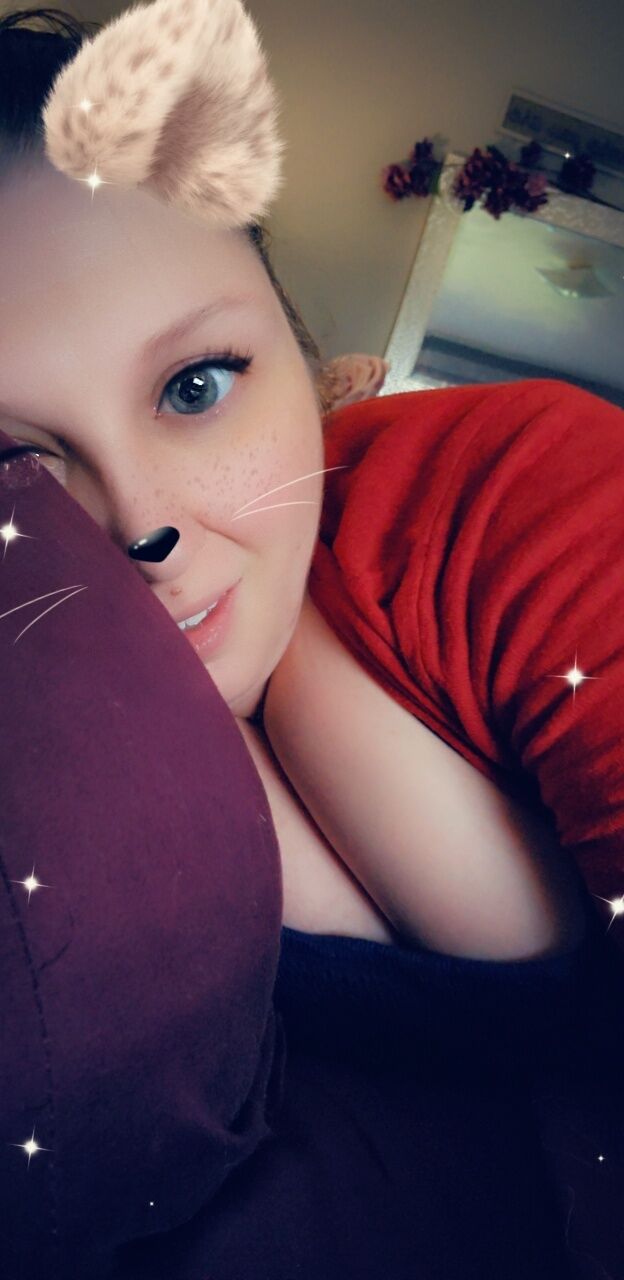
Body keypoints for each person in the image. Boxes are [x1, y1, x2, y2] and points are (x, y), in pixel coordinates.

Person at [1, 6, 622, 1278]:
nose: (144, 527)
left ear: (303, 347)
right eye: (17, 460)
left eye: (196, 384)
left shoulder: (512, 489)